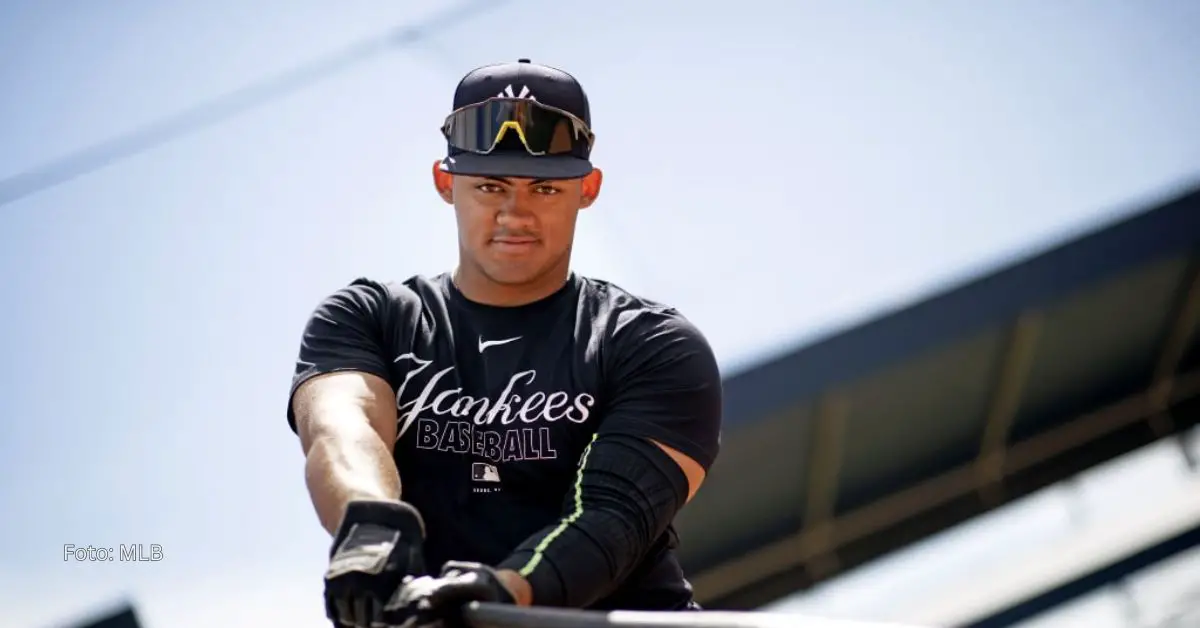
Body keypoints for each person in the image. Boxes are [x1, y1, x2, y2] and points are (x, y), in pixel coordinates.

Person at [286, 58, 723, 628]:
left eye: (543, 188)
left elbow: (611, 518)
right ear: (445, 183)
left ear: (587, 189)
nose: (515, 213)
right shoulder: (368, 318)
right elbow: (344, 428)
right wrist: (369, 528)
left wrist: (495, 594)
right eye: (490, 185)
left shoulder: (651, 344)